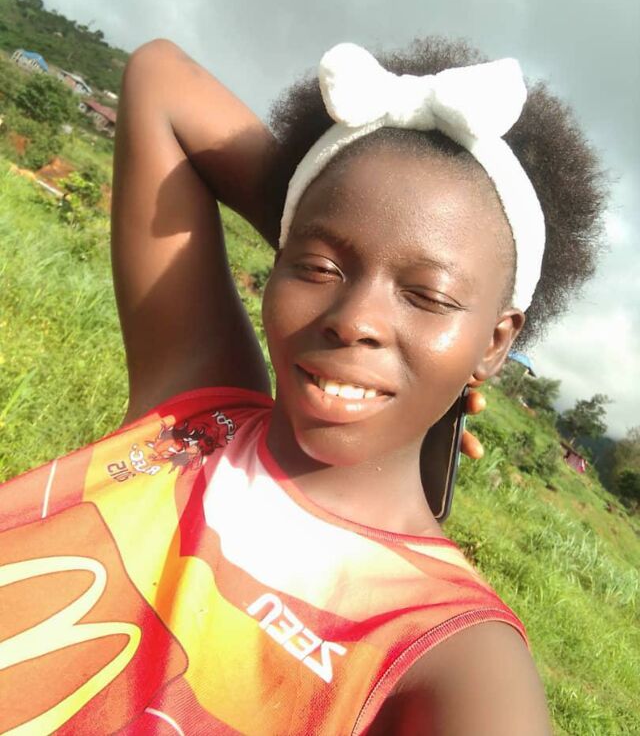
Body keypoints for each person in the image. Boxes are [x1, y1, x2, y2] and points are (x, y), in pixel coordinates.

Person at [0, 37, 604, 735]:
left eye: (428, 296)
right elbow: (160, 80)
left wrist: (347, 247)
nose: (355, 320)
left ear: (495, 342)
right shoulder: (195, 416)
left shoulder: (447, 649)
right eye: (317, 268)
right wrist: (325, 202)